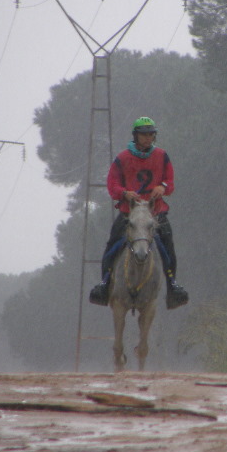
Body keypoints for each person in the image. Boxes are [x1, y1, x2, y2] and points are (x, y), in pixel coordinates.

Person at [89, 116, 189, 310]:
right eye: (144, 134)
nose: (148, 138)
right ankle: (104, 284)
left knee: (168, 246)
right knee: (113, 245)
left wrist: (162, 186)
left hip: (156, 212)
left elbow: (170, 180)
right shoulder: (123, 158)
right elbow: (113, 185)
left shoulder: (162, 156)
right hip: (129, 213)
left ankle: (172, 286)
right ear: (136, 135)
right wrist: (124, 193)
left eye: (151, 134)